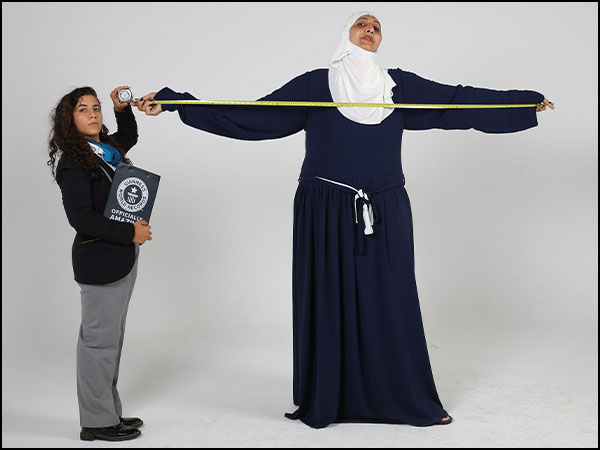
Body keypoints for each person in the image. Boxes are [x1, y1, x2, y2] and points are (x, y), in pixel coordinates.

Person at [136, 11, 554, 429]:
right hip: (325, 207)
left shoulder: (399, 87)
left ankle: (405, 399)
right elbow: (254, 116)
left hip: (385, 207)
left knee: (391, 299)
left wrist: (521, 103)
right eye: (362, 24)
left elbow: (458, 102)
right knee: (329, 300)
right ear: (346, 34)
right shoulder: (316, 85)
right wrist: (177, 102)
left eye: (376, 27)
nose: (370, 30)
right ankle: (331, 398)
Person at [48, 86, 153, 441]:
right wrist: (130, 233)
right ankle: (96, 422)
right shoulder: (74, 162)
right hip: (99, 260)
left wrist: (121, 108)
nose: (93, 114)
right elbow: (81, 218)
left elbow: (129, 135)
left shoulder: (105, 150)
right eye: (83, 109)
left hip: (120, 258)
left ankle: (108, 412)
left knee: (111, 341)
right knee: (98, 344)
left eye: (96, 108)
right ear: (69, 119)